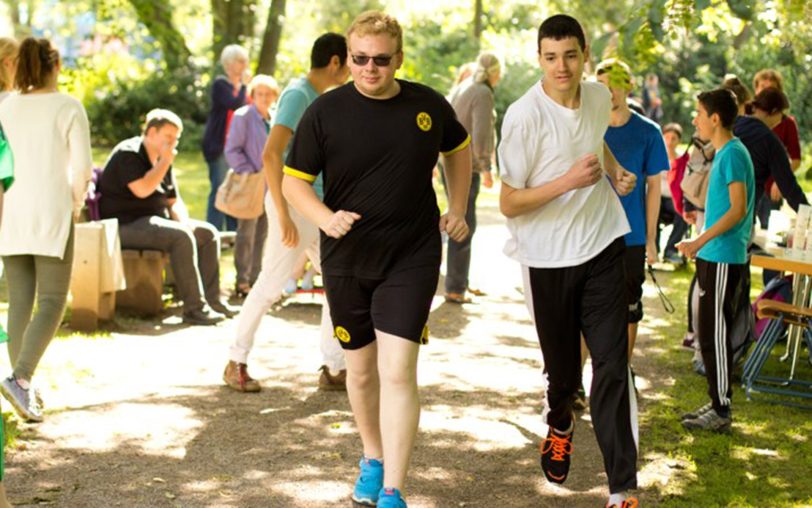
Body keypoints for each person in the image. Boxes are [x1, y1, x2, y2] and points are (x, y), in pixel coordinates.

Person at [282, 11, 471, 507]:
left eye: (381, 60)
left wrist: (457, 205)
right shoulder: (325, 111)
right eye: (359, 59)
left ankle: (394, 489)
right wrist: (324, 218)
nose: (369, 68)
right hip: (347, 258)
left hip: (411, 254)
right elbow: (292, 182)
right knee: (361, 372)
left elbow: (460, 148)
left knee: (398, 370)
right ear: (348, 58)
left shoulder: (427, 105)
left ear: (399, 58)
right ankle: (373, 457)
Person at [498, 15, 638, 508]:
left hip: (602, 244)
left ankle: (621, 489)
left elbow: (593, 138)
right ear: (539, 58)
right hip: (548, 259)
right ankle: (560, 421)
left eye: (571, 56)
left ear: (585, 55)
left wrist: (615, 171)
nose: (562, 66)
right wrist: (567, 183)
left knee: (613, 365)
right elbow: (509, 202)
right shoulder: (522, 116)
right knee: (562, 376)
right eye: (552, 57)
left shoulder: (599, 96)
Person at [223, 33, 350, 393]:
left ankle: (334, 367)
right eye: (351, 60)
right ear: (335, 62)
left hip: (318, 208)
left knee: (338, 283)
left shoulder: (317, 97)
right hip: (294, 207)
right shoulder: (298, 94)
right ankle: (236, 361)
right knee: (270, 285)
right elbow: (270, 154)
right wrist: (281, 213)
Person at [0, 37, 92, 423]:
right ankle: (21, 379)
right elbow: (82, 168)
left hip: (13, 211)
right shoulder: (68, 106)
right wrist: (75, 203)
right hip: (52, 210)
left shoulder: (7, 107)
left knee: (20, 300)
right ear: (55, 66)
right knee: (53, 300)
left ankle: (22, 384)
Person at [98, 109, 236, 325]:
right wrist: (163, 163)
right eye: (168, 137)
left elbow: (174, 201)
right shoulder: (129, 154)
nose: (173, 144)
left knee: (207, 233)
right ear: (152, 132)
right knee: (180, 237)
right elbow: (142, 189)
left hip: (153, 222)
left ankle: (212, 301)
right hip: (125, 225)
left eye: (176, 139)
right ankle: (194, 309)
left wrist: (183, 222)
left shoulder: (162, 158)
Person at [676, 88, 755, 433]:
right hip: (712, 255)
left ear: (715, 118)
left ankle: (722, 410)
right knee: (706, 335)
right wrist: (701, 231)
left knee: (715, 335)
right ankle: (715, 400)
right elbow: (726, 208)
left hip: (723, 258)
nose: (694, 119)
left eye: (698, 113)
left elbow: (738, 211)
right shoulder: (724, 153)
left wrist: (700, 240)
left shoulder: (734, 154)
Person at [596, 58, 669, 361]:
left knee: (629, 307)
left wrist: (651, 238)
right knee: (592, 308)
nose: (608, 91)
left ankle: (622, 373)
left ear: (628, 85)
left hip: (632, 235)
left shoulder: (649, 132)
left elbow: (654, 189)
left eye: (613, 83)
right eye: (601, 86)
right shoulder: (587, 130)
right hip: (592, 233)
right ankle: (578, 381)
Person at [443, 52, 500, 304]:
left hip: (449, 162)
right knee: (463, 224)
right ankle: (455, 287)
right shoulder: (483, 92)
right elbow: (479, 132)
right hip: (465, 166)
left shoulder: (465, 86)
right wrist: (486, 167)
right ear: (497, 72)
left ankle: (460, 282)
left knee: (459, 220)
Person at [224, 74, 280, 298]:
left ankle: (257, 279)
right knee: (246, 233)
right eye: (260, 94)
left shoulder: (274, 118)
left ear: (274, 96)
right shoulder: (243, 117)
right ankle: (242, 280)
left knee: (263, 233)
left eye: (268, 94)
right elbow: (232, 150)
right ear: (253, 95)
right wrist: (251, 171)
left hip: (272, 185)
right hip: (251, 183)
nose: (264, 98)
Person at [202, 44, 249, 231]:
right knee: (219, 188)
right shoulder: (220, 85)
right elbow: (234, 103)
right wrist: (244, 85)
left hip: (238, 147)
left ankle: (232, 232)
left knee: (234, 190)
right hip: (219, 145)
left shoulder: (245, 88)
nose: (245, 64)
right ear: (229, 64)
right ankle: (212, 231)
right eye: (240, 60)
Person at [659, 122, 690, 264]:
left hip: (673, 199)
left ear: (679, 141)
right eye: (667, 137)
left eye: (674, 138)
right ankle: (652, 247)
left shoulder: (683, 160)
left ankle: (670, 250)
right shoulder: (656, 156)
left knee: (683, 213)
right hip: (657, 197)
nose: (670, 142)